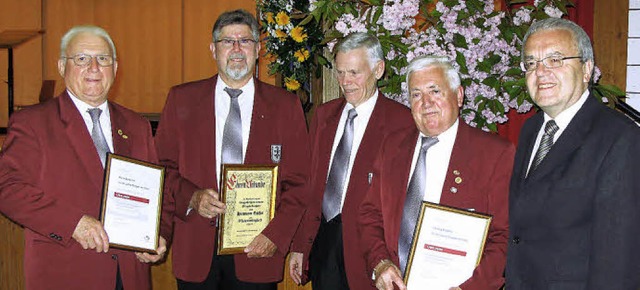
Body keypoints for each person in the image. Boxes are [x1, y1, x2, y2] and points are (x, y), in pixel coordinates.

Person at [0, 25, 172, 290]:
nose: (94, 67)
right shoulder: (32, 122)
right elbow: (7, 189)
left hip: (130, 275)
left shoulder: (136, 125)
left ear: (115, 67)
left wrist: (159, 234)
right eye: (81, 59)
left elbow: (161, 192)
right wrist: (72, 224)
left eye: (103, 59)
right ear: (61, 66)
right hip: (67, 274)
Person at [154, 9, 309, 290]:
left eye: (245, 41)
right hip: (196, 250)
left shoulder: (286, 106)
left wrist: (276, 235)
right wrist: (192, 197)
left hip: (257, 250)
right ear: (213, 49)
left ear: (258, 49)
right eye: (227, 41)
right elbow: (162, 168)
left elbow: (299, 182)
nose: (237, 49)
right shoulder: (181, 100)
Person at [358, 55, 514, 290]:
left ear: (459, 96)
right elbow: (370, 214)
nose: (426, 103)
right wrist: (380, 263)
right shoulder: (391, 147)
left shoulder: (494, 154)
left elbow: (504, 235)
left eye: (435, 91)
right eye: (416, 95)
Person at [506, 18, 640, 289]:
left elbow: (618, 262)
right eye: (531, 63)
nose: (540, 72)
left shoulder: (620, 138)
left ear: (587, 69)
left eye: (555, 60)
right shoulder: (532, 129)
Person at [288, 33, 414, 290]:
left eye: (354, 73)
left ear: (378, 69)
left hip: (370, 250)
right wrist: (300, 245)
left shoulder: (402, 122)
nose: (346, 82)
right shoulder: (325, 115)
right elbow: (311, 186)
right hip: (323, 241)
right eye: (341, 72)